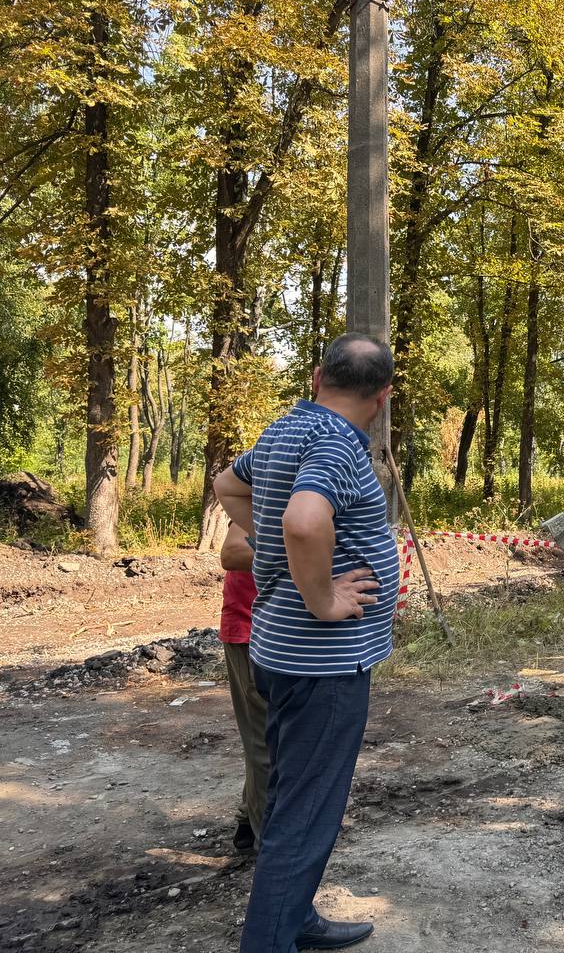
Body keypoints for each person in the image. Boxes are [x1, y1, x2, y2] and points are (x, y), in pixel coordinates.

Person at [214, 333, 400, 953]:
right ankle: (270, 940)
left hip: (279, 651)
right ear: (383, 397)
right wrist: (322, 599)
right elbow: (303, 520)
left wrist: (269, 543)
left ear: (319, 376)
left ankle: (296, 919)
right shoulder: (340, 443)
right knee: (306, 814)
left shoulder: (285, 428)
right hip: (322, 662)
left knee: (294, 797)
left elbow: (227, 485)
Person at [219, 523, 267, 855]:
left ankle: (249, 822)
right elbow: (232, 552)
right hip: (252, 633)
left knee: (269, 738)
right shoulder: (262, 493)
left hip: (287, 635)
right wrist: (303, 548)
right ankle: (274, 855)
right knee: (267, 745)